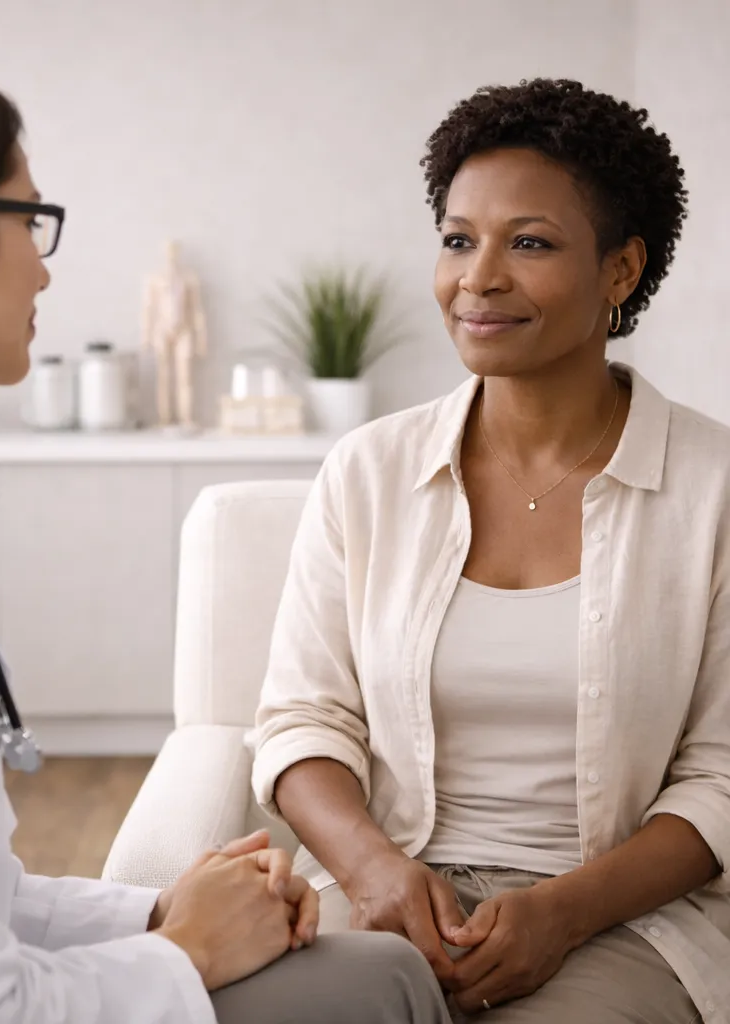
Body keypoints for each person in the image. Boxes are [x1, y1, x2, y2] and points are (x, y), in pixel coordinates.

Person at [0, 38, 450, 1024]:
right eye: (29, 221)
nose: (44, 276)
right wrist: (183, 952)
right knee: (383, 981)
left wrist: (157, 909)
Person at [251, 78, 730, 1023]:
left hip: (617, 921)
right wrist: (374, 870)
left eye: (532, 243)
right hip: (385, 896)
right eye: (459, 239)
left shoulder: (715, 489)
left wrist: (559, 913)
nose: (479, 278)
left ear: (621, 271)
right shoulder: (369, 471)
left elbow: (723, 777)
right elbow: (302, 720)